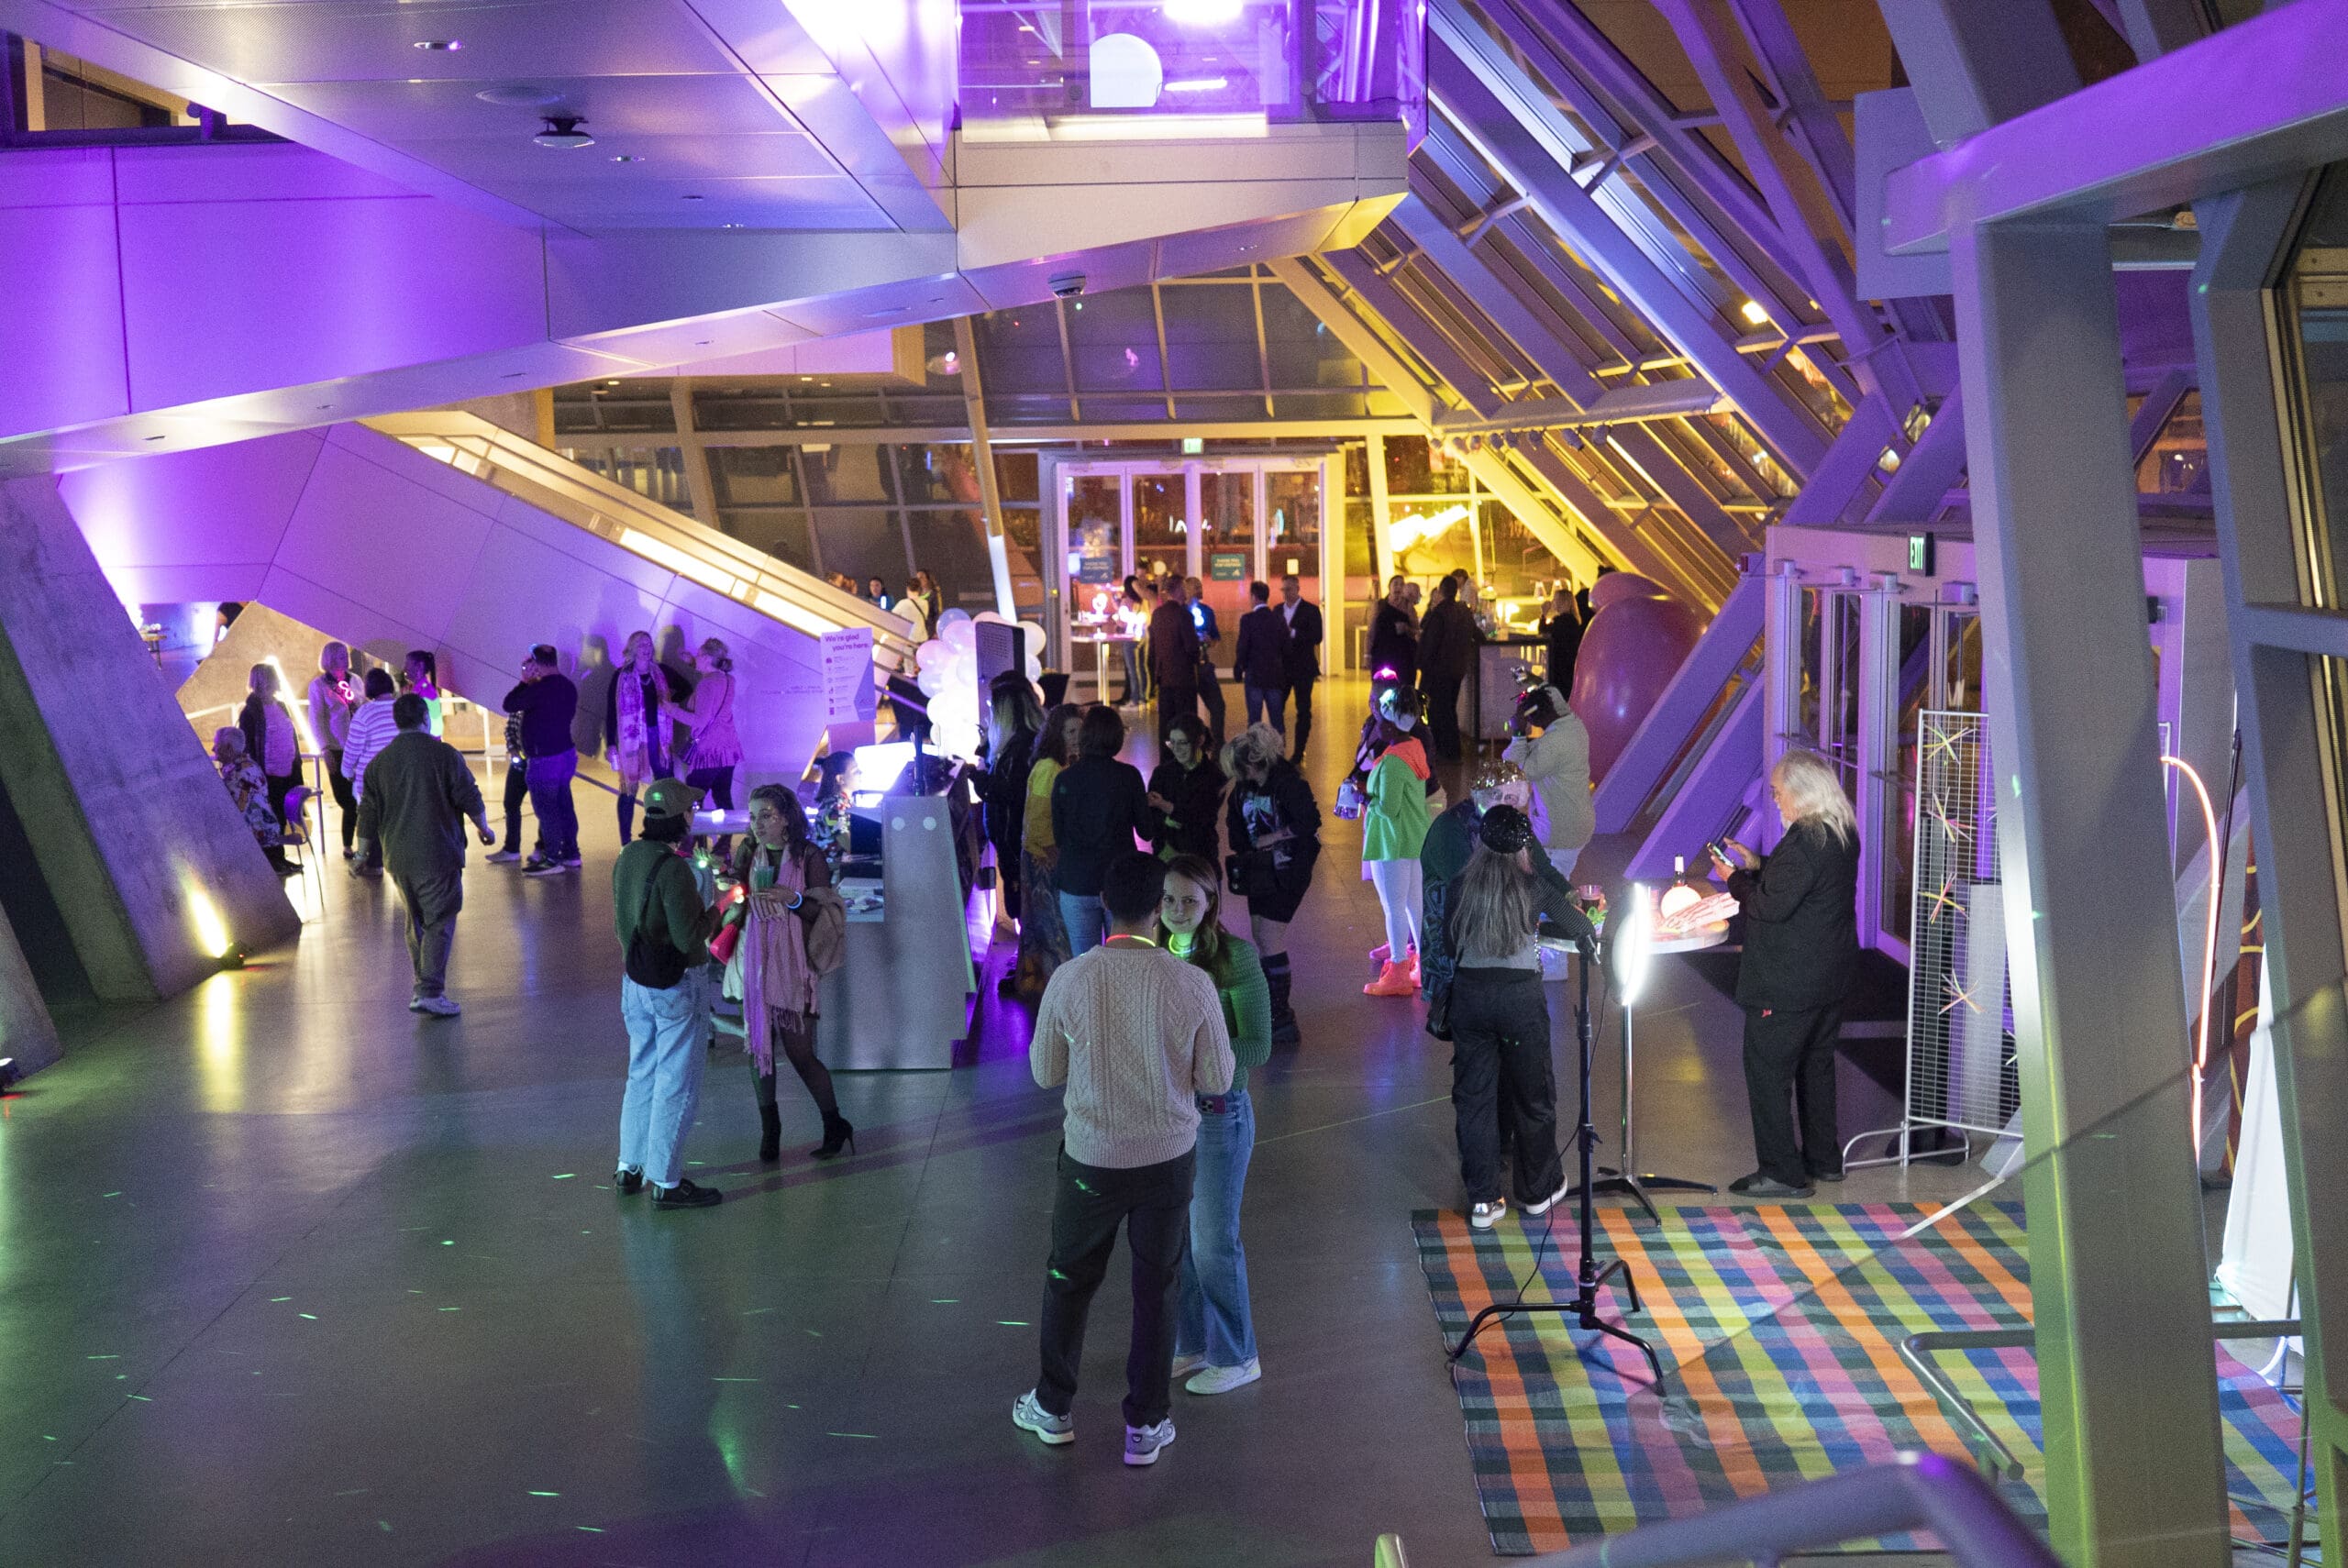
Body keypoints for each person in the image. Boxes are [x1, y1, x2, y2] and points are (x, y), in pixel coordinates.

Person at [1013, 851, 1235, 1466]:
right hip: (1168, 1162)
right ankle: (1146, 1424)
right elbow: (1218, 1079)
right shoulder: (1191, 983)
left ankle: (1053, 1407)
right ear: (1158, 908)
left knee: (1069, 1279)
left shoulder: (1072, 978)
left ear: (1105, 904)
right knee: (1156, 1288)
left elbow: (1044, 1072)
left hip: (1091, 1161)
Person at [1709, 747, 1861, 1198]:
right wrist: (1756, 864)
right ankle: (1823, 1160)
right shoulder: (1839, 829)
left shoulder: (1805, 841)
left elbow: (1768, 906)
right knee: (1816, 1065)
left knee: (1768, 1073)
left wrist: (1733, 879)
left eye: (1777, 792)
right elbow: (1802, 882)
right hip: (1829, 976)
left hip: (1788, 981)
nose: (1773, 799)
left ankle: (1781, 1171)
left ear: (1801, 792)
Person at [1444, 803, 1595, 1229]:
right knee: (1533, 1094)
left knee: (1474, 1099)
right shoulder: (1533, 887)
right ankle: (1537, 1191)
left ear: (1481, 842)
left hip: (1471, 1000)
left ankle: (1483, 1201)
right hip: (1519, 1002)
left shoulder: (1460, 885)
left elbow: (1449, 945)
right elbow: (1581, 929)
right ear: (1524, 847)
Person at [1157, 855, 1271, 1397]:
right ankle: (1192, 1343)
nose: (1177, 910)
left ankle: (1237, 1355)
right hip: (1168, 1117)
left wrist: (1200, 1066)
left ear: (1211, 904)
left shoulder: (1236, 958)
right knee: (1176, 1239)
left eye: (1189, 900)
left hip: (1219, 1117)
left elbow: (1259, 1044)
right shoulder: (1153, 957)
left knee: (1211, 1243)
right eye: (1168, 899)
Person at [613, 778, 724, 1209]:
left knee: (641, 1072)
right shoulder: (675, 869)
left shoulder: (628, 855)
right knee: (677, 1081)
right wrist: (721, 907)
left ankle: (629, 1167)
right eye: (692, 811)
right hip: (675, 985)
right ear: (683, 818)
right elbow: (689, 937)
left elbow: (622, 920)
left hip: (635, 981)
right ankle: (666, 1180)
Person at [725, 784, 851, 1163]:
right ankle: (771, 1129)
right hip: (757, 960)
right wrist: (728, 886)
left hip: (794, 967)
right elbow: (739, 896)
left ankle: (835, 1123)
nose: (757, 824)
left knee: (800, 1053)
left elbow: (823, 916)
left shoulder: (809, 856)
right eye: (753, 817)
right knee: (759, 1047)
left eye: (766, 816)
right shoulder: (749, 851)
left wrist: (792, 899)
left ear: (786, 819)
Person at [353, 693, 495, 1017]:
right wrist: (484, 829)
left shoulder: (379, 763)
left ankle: (423, 987)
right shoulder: (443, 754)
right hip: (438, 852)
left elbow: (367, 813)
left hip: (398, 858)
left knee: (415, 921)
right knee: (439, 919)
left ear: (397, 722)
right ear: (425, 718)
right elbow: (469, 796)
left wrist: (361, 854)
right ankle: (430, 991)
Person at [1221, 723, 1319, 1045]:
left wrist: (1272, 838)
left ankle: (1280, 1014)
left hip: (1289, 870)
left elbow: (1309, 822)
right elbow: (1236, 830)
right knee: (1260, 934)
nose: (1240, 774)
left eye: (1242, 767)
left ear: (1255, 762)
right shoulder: (1243, 789)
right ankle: (1272, 1010)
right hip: (1258, 871)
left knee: (1268, 936)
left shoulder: (1289, 784)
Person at [1049, 706, 1161, 955]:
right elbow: (1146, 831)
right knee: (1124, 958)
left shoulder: (1065, 779)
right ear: (1116, 737)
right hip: (1118, 883)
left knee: (1084, 960)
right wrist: (1150, 806)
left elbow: (1059, 836)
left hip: (1076, 881)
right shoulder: (1128, 776)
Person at [1362, 688, 1434, 998]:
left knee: (1392, 907)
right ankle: (1425, 966)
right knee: (1414, 905)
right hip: (1414, 838)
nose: (1376, 724)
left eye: (1380, 719)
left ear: (1391, 725)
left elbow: (1388, 809)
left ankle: (1398, 971)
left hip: (1391, 842)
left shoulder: (1392, 762)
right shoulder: (1414, 747)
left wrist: (1365, 797)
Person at [1016, 703, 1083, 997]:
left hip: (1042, 856)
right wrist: (1051, 853)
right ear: (1057, 734)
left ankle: (1048, 987)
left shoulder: (1059, 765)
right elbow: (1039, 819)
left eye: (1080, 732)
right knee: (1052, 928)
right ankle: (1057, 990)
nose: (1076, 738)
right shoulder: (1049, 769)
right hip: (1044, 859)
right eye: (1070, 732)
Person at [504, 645, 581, 875]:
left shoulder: (538, 689)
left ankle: (552, 859)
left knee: (547, 811)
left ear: (536, 664)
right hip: (566, 754)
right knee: (564, 806)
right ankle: (571, 853)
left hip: (544, 759)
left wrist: (524, 682)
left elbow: (509, 704)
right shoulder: (568, 686)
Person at [1504, 685, 1594, 880]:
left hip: (1560, 831)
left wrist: (1518, 733)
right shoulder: (1574, 727)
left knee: (1551, 888)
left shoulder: (1555, 741)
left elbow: (1516, 770)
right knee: (1555, 883)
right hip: (1573, 823)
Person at [604, 630, 686, 846]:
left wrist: (669, 703)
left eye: (649, 644)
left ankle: (664, 836)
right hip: (632, 740)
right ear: (632, 649)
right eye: (641, 644)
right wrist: (610, 743)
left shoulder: (661, 672)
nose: (646, 648)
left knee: (664, 786)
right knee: (628, 791)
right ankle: (626, 843)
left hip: (658, 737)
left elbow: (686, 688)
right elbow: (611, 711)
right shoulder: (621, 676)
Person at [981, 673, 1045, 944]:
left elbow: (1013, 795)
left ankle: (1030, 964)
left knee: (1025, 908)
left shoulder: (1019, 748)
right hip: (1020, 841)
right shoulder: (1029, 742)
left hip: (1018, 842)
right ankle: (1028, 962)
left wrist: (981, 781)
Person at [666, 637, 743, 857]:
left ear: (708, 658)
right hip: (727, 748)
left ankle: (687, 847)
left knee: (691, 798)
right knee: (723, 796)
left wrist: (671, 710)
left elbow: (700, 720)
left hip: (709, 751)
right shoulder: (728, 680)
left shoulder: (706, 684)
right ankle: (723, 847)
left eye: (699, 655)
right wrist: (693, 663)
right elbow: (713, 685)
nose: (696, 657)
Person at [213, 727, 298, 877]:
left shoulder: (238, 773)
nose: (213, 749)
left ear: (229, 748)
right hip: (268, 832)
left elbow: (235, 811)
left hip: (258, 840)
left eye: (217, 745)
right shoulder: (248, 765)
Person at [340, 668, 400, 874]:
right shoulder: (403, 708)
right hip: (400, 777)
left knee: (370, 821)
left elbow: (352, 749)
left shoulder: (364, 713)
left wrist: (347, 772)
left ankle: (374, 864)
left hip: (371, 779)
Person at [306, 643, 363, 860]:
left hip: (359, 745)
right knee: (345, 798)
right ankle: (349, 843)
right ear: (329, 658)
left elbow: (362, 706)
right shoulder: (319, 685)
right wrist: (324, 748)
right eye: (340, 655)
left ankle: (361, 843)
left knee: (362, 796)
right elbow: (317, 719)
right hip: (337, 748)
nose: (345, 659)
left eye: (345, 655)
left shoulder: (355, 680)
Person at [1415, 575, 1479, 763]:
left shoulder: (1439, 614)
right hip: (1457, 670)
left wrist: (1421, 665)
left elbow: (1430, 644)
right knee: (1449, 709)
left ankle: (1443, 751)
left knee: (1437, 711)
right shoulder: (1463, 612)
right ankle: (1452, 751)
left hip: (1438, 671)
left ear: (1441, 591)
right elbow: (1478, 635)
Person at [1146, 714, 1224, 862]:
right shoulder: (1162, 773)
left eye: (1183, 743)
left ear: (1200, 740)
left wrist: (1165, 806)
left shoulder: (1214, 777)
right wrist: (1166, 819)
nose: (1176, 749)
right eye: (1172, 743)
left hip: (1200, 859)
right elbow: (1151, 817)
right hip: (1165, 857)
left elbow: (1201, 818)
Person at [238, 663, 301, 837]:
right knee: (271, 819)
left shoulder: (281, 706)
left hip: (287, 771)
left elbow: (291, 735)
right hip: (266, 775)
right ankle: (275, 852)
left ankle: (279, 850)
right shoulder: (250, 713)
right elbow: (248, 746)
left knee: (281, 817)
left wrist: (296, 762)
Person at [1278, 574, 1323, 763]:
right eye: (1283, 589)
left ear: (1297, 589)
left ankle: (1299, 751)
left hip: (1303, 668)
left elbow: (1317, 637)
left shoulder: (1311, 610)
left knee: (1303, 710)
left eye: (1289, 589)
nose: (1285, 593)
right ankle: (1278, 748)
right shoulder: (1277, 610)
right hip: (1282, 668)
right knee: (1276, 708)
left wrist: (1293, 632)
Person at [1233, 581, 1288, 735]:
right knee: (1277, 720)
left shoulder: (1248, 619)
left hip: (1254, 675)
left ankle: (1255, 748)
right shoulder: (1278, 618)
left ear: (1254, 597)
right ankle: (1279, 748)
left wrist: (1239, 667)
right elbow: (1286, 647)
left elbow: (1243, 646)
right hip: (1274, 676)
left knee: (1254, 720)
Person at [1147, 576, 1199, 740]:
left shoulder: (1157, 614)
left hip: (1164, 678)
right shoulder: (1184, 615)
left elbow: (1152, 649)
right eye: (1184, 588)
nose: (1186, 592)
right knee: (1186, 724)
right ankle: (1185, 753)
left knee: (1166, 723)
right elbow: (1191, 648)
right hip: (1183, 679)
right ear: (1178, 590)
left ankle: (1166, 753)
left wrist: (1154, 676)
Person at [1186, 576, 1226, 744]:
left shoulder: (1207, 611)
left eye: (1200, 586)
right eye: (1195, 587)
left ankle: (1218, 743)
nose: (1199, 589)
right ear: (1186, 590)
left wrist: (1210, 641)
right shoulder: (1181, 613)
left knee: (1218, 706)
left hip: (1204, 666)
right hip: (1186, 669)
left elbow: (1216, 638)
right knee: (1188, 710)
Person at [1368, 576, 1418, 690]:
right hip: (1382, 653)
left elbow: (1416, 630)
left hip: (1404, 656)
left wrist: (1406, 628)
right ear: (1389, 587)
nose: (1398, 587)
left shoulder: (1408, 606)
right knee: (1381, 687)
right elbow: (1371, 631)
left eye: (1401, 584)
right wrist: (1367, 655)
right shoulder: (1380, 605)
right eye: (1395, 584)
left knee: (1403, 688)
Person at [1540, 586, 1584, 696]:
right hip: (1568, 666)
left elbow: (1543, 632)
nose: (1553, 602)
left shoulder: (1562, 621)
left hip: (1561, 667)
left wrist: (1544, 614)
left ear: (1561, 602)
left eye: (1555, 599)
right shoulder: (1572, 621)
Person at [402, 649, 444, 735]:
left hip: (427, 740)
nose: (405, 668)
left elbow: (435, 727)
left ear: (420, 666)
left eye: (407, 664)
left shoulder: (427, 691)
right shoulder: (418, 689)